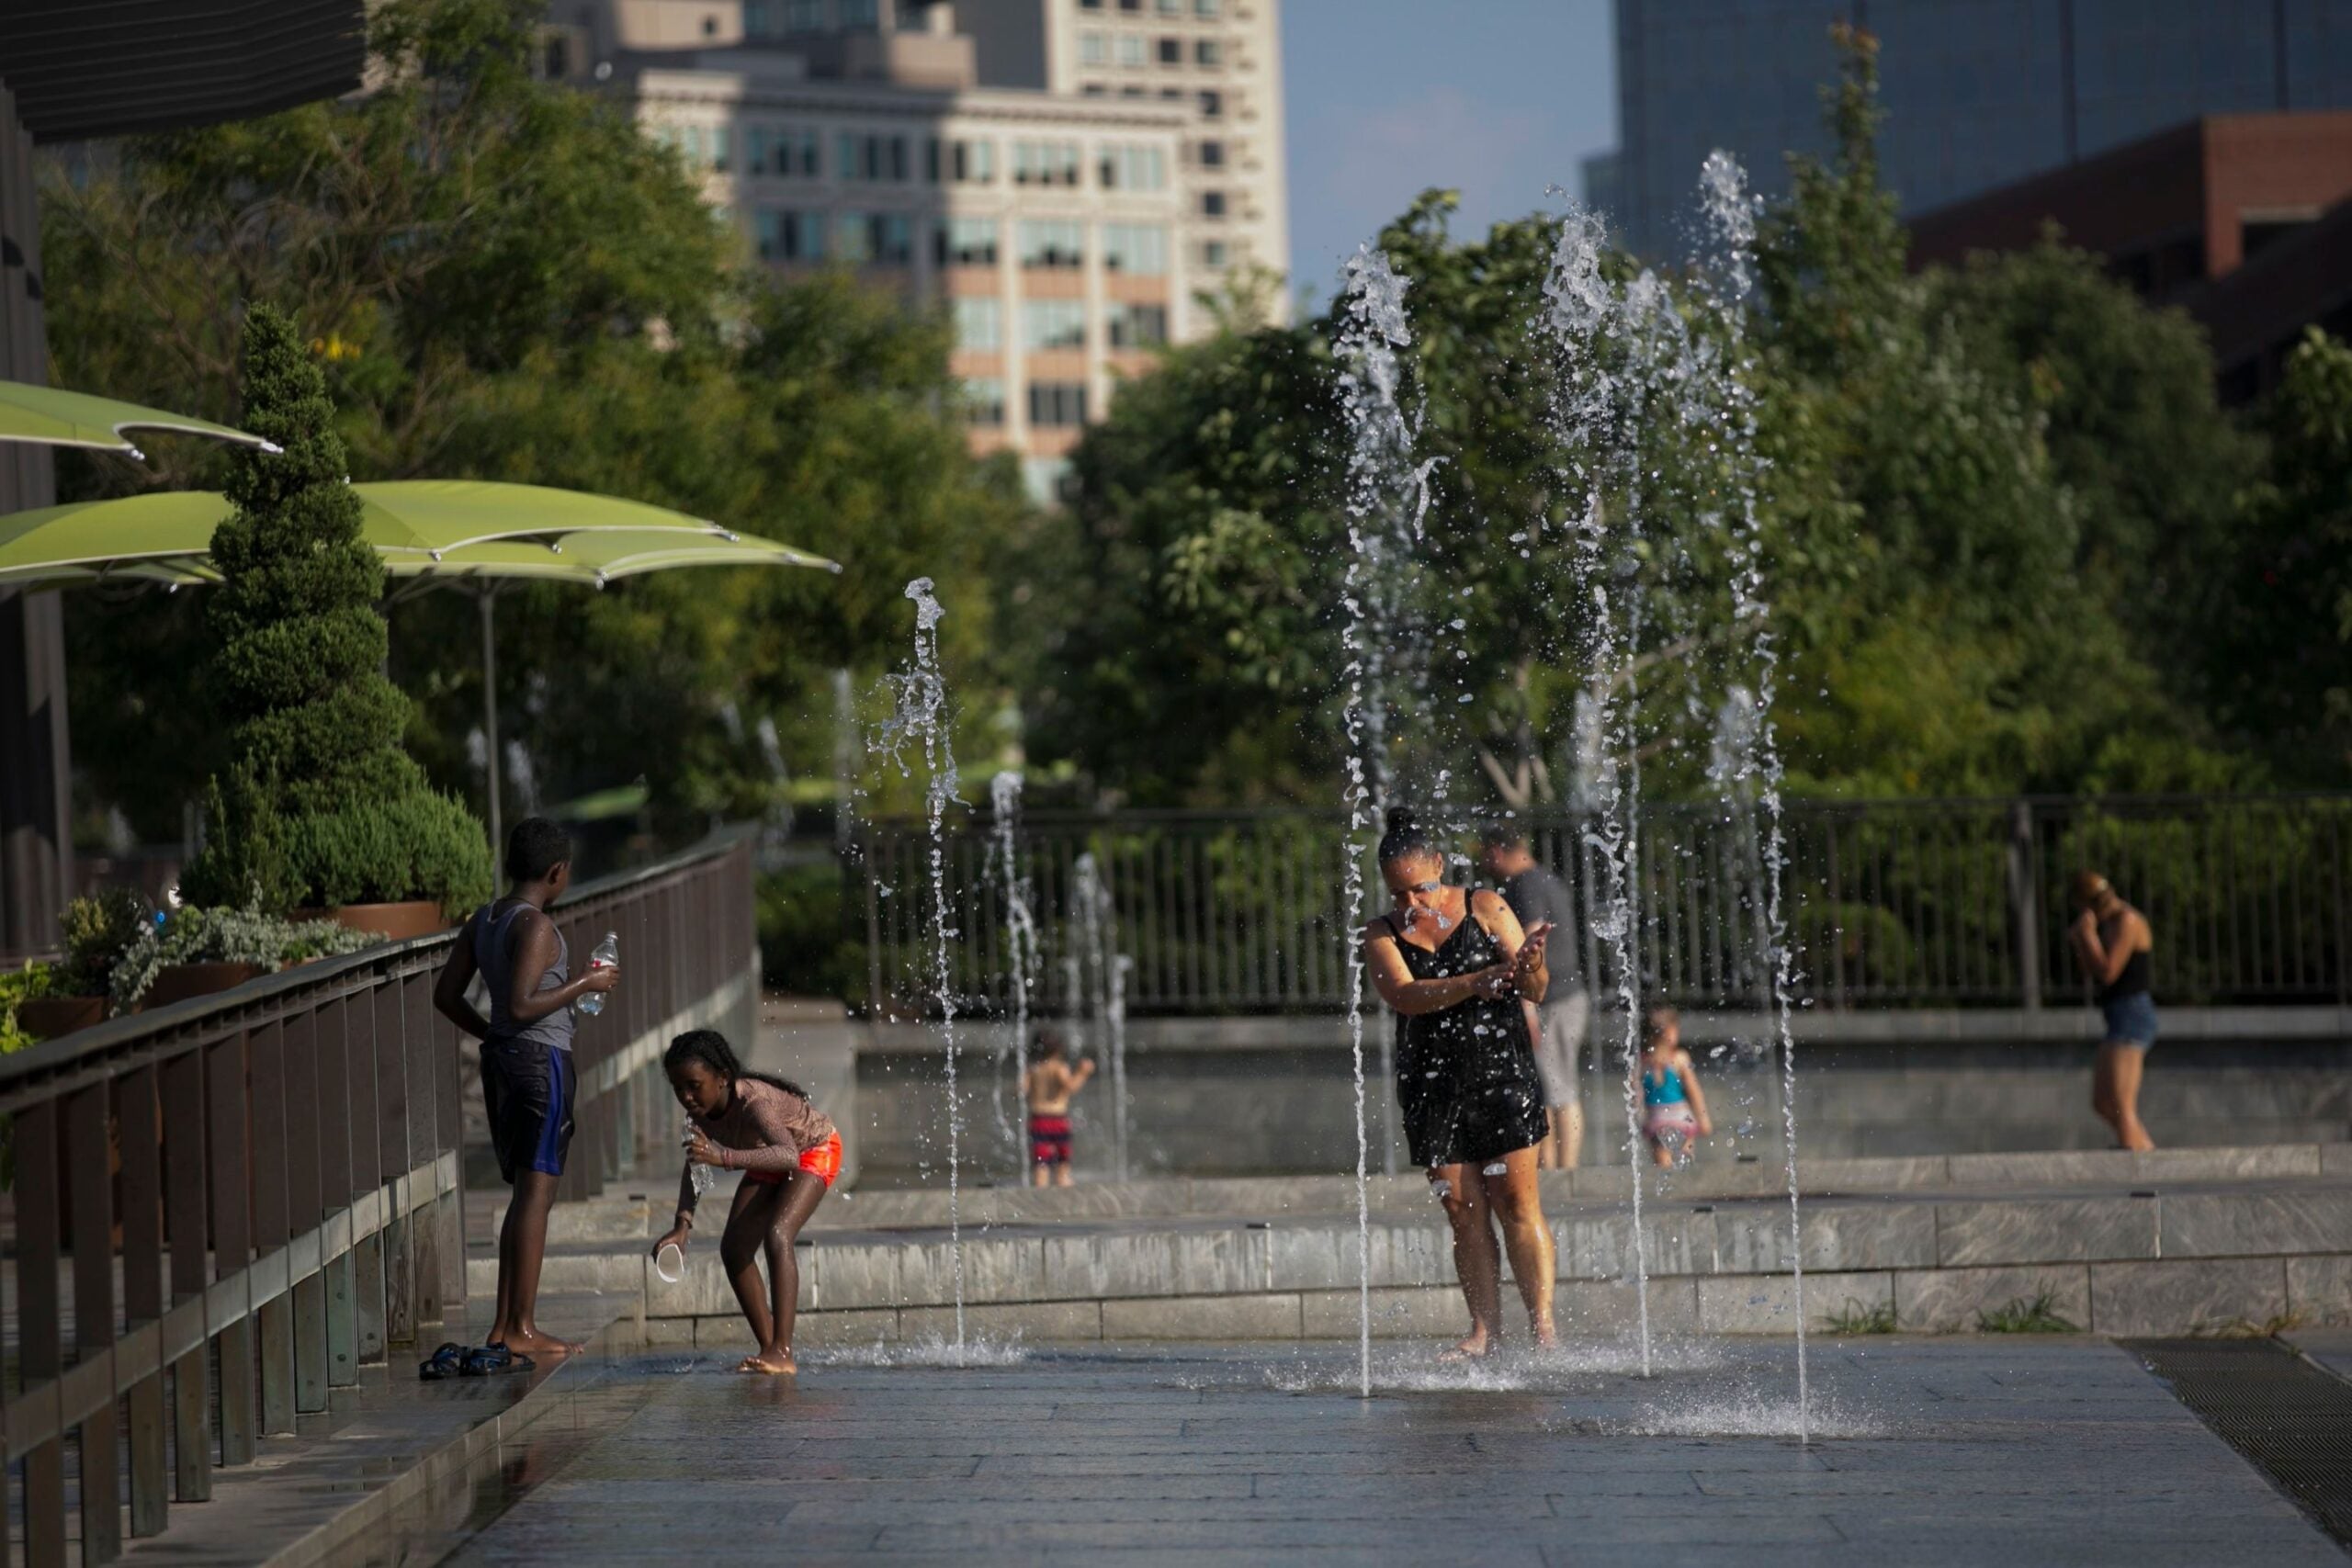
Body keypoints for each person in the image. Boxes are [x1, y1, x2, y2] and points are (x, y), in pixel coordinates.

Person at [1364, 811, 1557, 1359]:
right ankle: (1484, 1332)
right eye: (1398, 892)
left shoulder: (1487, 906)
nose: (1411, 904)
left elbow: (1535, 990)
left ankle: (1542, 1328)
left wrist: (1531, 965)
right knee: (1463, 1210)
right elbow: (1404, 996)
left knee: (1516, 1200)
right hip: (1433, 1082)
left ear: (1441, 868)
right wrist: (1474, 981)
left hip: (1501, 1071)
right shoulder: (1381, 934)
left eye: (1420, 888)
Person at [433, 817, 618, 1366]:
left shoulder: (484, 920)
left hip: (504, 1064)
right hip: (541, 1065)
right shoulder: (537, 928)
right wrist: (586, 983)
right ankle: (523, 1328)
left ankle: (503, 1326)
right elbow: (517, 1004)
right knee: (537, 1195)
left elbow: (447, 996)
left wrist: (490, 1036)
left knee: (522, 1195)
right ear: (557, 873)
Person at [651, 1029, 842, 1375]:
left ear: (722, 1078)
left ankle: (783, 1350)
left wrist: (724, 1156)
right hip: (763, 1156)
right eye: (678, 1088)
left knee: (778, 1234)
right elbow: (695, 1165)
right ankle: (769, 1349)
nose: (687, 1097)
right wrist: (682, 1226)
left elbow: (787, 1156)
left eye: (694, 1085)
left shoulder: (754, 1103)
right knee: (734, 1249)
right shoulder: (698, 1115)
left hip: (813, 1150)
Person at [1477, 827, 1589, 1168]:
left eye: (1484, 852)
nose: (1483, 860)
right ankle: (1554, 1170)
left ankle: (1562, 1174)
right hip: (1564, 996)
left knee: (1556, 1089)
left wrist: (1526, 1005)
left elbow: (1529, 943)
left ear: (1496, 851)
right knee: (1551, 1087)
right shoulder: (1545, 879)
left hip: (1551, 1000)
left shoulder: (1525, 885)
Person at [2068, 870, 2158, 1151]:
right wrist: (2083, 940)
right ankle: (2145, 1152)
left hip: (2133, 1015)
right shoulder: (2107, 925)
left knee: (2121, 1105)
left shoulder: (2127, 921)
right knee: (2103, 1102)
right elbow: (2089, 971)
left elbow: (2108, 972)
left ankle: (2138, 1162)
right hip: (2117, 1015)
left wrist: (2088, 936)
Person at [1635, 1006, 1713, 1169]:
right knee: (1683, 1161)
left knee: (1664, 1166)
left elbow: (1635, 1095)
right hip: (1680, 1118)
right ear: (1669, 1032)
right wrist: (1703, 1118)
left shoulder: (1643, 1063)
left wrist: (1640, 1120)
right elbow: (1694, 1092)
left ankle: (1670, 1191)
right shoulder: (1679, 1058)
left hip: (1658, 1120)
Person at [1023, 1031, 1096, 1188]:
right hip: (1058, 1119)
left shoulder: (1033, 1069)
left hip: (1038, 1120)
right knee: (1063, 1159)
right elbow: (1071, 1086)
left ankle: (1040, 1189)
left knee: (1040, 1162)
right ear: (1058, 1049)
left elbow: (1021, 1089)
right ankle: (1063, 1183)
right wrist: (1083, 1073)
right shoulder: (1059, 1068)